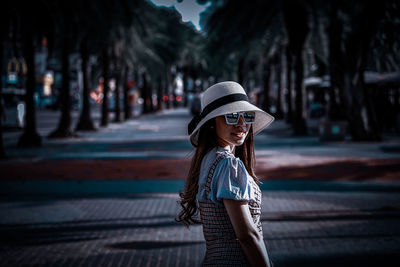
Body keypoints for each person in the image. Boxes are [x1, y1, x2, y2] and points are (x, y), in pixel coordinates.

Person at [177, 81, 274, 266]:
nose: (241, 124)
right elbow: (247, 235)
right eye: (231, 116)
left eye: (246, 116)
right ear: (212, 123)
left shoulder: (208, 158)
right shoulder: (229, 165)